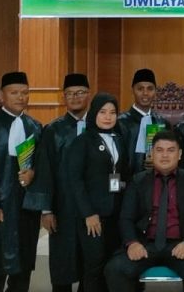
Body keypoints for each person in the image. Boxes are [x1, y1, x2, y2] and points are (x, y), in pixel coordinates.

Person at [0, 71, 51, 292]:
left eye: (24, 92)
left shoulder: (35, 127)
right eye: (14, 92)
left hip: (27, 209)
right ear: (1, 96)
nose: (20, 97)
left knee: (23, 268)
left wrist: (33, 173)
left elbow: (42, 165)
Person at [105, 130, 184, 292]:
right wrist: (132, 243)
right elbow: (126, 218)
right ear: (152, 154)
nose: (165, 155)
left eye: (171, 150)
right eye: (159, 150)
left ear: (179, 154)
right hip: (145, 245)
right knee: (115, 268)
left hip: (179, 244)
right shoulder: (138, 180)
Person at [67, 93, 131, 292]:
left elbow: (119, 174)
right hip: (92, 216)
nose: (108, 117)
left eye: (113, 112)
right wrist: (88, 213)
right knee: (94, 265)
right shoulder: (83, 141)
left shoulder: (119, 139)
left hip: (115, 214)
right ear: (94, 112)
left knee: (110, 265)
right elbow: (75, 180)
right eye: (103, 112)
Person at [42, 73, 94, 292]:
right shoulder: (53, 130)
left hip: (92, 207)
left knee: (90, 265)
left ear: (89, 95)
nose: (75, 97)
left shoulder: (99, 125)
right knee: (62, 263)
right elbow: (45, 170)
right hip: (62, 206)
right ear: (63, 97)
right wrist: (46, 209)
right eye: (70, 94)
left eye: (80, 92)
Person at [118, 68, 169, 173]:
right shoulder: (121, 123)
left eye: (150, 89)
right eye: (140, 89)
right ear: (133, 90)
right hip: (128, 179)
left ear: (155, 91)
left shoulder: (163, 123)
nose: (145, 93)